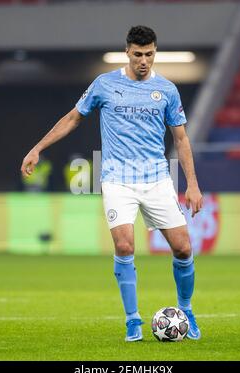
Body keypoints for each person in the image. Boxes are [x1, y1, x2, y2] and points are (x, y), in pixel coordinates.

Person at [21, 25, 203, 342]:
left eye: (149, 54)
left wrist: (193, 184)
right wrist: (38, 148)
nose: (143, 61)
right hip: (118, 179)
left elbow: (181, 139)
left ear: (155, 52)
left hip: (157, 178)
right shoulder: (105, 85)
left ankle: (185, 309)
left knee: (184, 247)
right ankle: (133, 320)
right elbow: (72, 118)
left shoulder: (167, 90)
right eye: (137, 55)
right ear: (127, 53)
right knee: (124, 245)